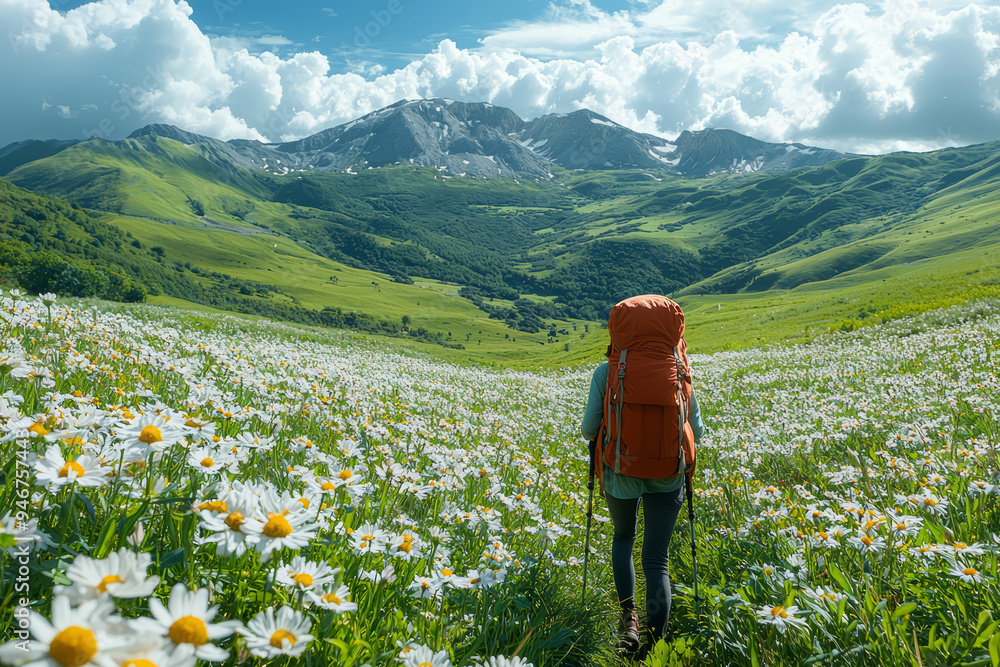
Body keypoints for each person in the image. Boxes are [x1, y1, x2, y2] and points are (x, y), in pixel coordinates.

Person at [580, 357, 704, 653]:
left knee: (624, 537)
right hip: (669, 469)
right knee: (657, 558)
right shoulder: (680, 373)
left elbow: (588, 429)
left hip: (620, 469)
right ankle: (656, 643)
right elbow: (696, 431)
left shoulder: (606, 372)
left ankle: (630, 624)